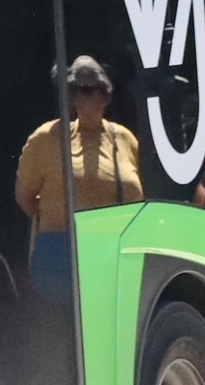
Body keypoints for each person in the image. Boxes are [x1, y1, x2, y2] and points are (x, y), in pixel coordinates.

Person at [14, 54, 142, 298]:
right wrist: (58, 216)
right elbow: (24, 197)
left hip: (114, 256)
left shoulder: (124, 139)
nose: (82, 97)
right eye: (76, 90)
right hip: (59, 258)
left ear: (106, 95)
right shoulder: (46, 138)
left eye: (90, 90)